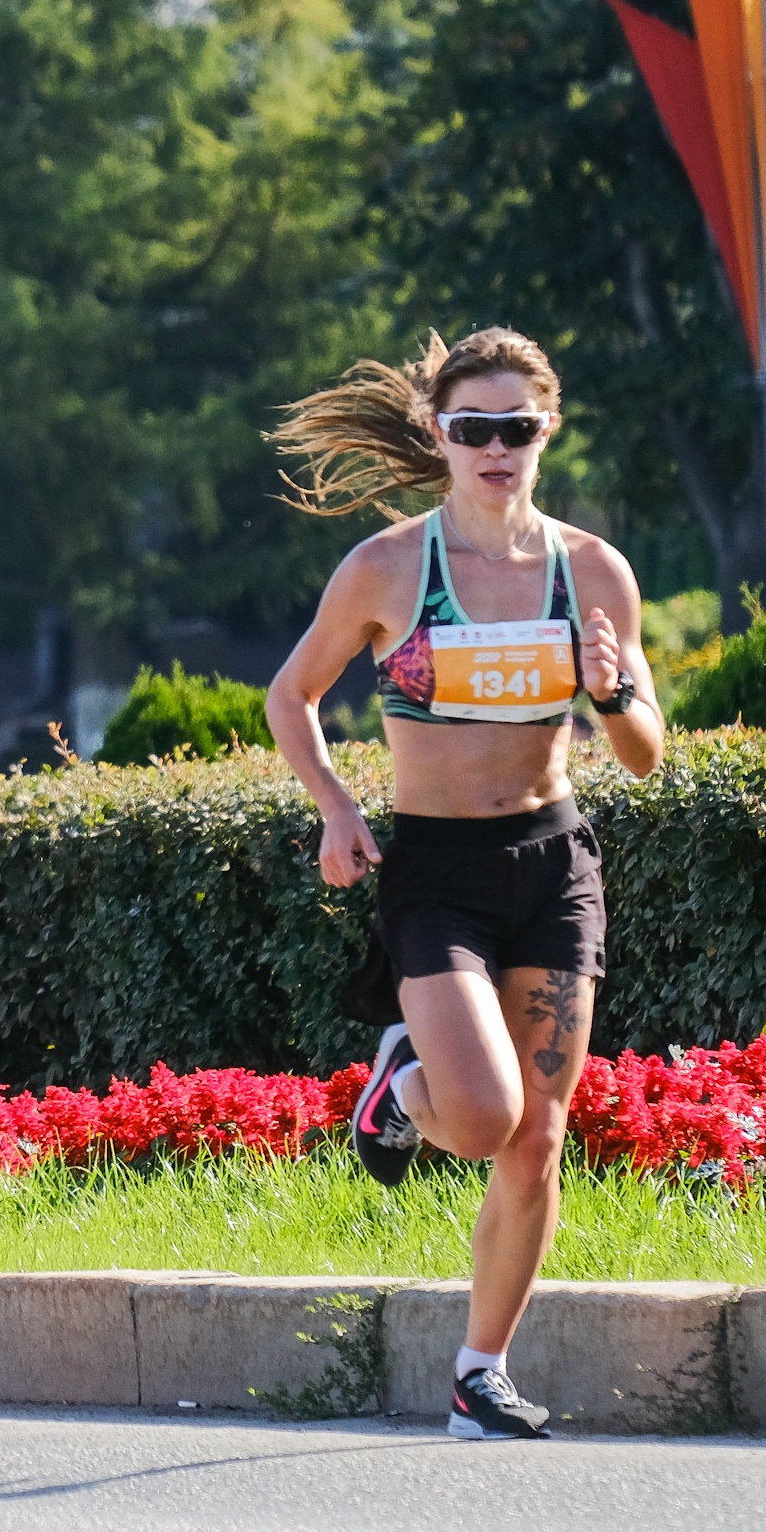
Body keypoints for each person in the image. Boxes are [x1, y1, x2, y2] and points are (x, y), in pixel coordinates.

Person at [262, 327, 664, 1440]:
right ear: (440, 434)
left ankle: (479, 1374)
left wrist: (612, 694)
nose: (496, 447)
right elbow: (290, 696)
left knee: (538, 1138)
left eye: (516, 427)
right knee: (483, 1118)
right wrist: (337, 808)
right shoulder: (390, 567)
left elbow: (642, 753)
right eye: (473, 427)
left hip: (553, 864)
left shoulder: (592, 571)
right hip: (434, 871)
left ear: (547, 431)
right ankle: (401, 1087)